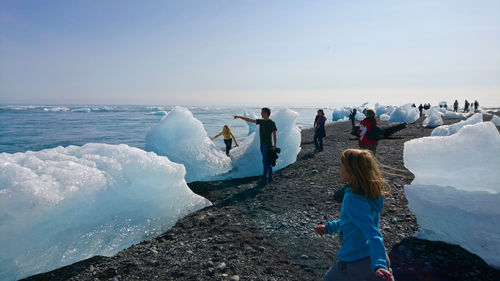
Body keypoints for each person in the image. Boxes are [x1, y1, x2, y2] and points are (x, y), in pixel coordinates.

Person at [314, 149, 394, 281]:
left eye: (342, 166)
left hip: (355, 262)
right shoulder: (369, 194)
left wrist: (379, 265)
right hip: (371, 256)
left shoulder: (353, 199)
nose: (339, 168)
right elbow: (351, 221)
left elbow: (373, 234)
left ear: (352, 171)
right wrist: (329, 227)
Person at [234, 107, 277, 183]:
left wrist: (274, 145)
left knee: (265, 162)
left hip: (268, 145)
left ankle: (264, 179)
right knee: (268, 162)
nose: (261, 114)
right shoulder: (261, 121)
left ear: (266, 113)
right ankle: (270, 177)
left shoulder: (271, 123)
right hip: (262, 145)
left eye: (262, 112)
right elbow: (250, 120)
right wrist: (240, 117)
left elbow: (274, 135)